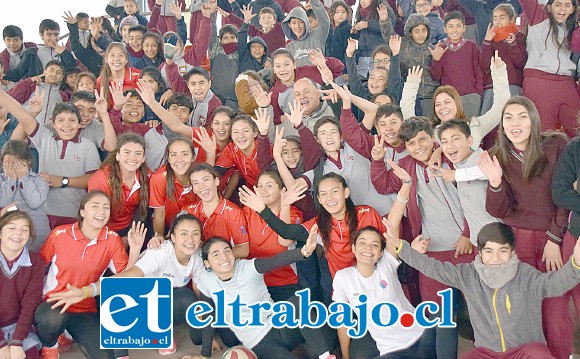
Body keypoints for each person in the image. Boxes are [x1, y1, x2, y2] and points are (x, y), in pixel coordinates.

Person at [388, 221, 580, 359]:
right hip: (486, 353)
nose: (495, 258)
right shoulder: (468, 275)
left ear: (512, 252)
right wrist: (401, 248)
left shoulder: (525, 275)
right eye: (489, 251)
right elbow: (434, 268)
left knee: (540, 354)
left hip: (524, 351)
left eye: (502, 251)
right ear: (480, 253)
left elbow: (554, 284)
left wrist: (576, 264)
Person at [479, 96, 571, 359]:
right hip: (515, 242)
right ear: (502, 125)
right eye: (508, 118)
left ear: (533, 119)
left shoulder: (555, 145)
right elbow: (499, 211)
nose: (515, 123)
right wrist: (495, 182)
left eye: (521, 116)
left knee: (554, 310)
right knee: (522, 312)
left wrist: (554, 238)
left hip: (551, 238)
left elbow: (563, 197)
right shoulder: (498, 155)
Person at [240, 172, 386, 302]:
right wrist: (263, 209)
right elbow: (287, 232)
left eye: (334, 191)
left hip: (375, 283)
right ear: (319, 199)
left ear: (346, 192)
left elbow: (387, 247)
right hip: (343, 291)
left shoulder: (367, 213)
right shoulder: (319, 224)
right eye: (323, 194)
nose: (330, 198)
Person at [35, 191, 145, 358]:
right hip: (54, 302)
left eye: (106, 207)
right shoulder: (60, 234)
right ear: (82, 212)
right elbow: (38, 267)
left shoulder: (112, 239)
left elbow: (125, 280)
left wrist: (135, 250)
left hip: (83, 307)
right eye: (95, 206)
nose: (101, 211)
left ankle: (67, 333)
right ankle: (51, 344)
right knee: (53, 320)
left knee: (104, 355)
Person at [191, 233, 337, 359]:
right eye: (216, 254)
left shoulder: (247, 268)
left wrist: (303, 251)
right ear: (207, 263)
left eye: (227, 251)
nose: (224, 257)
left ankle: (325, 355)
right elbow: (208, 314)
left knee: (297, 302)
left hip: (280, 325)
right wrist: (205, 353)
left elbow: (276, 260)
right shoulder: (206, 280)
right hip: (259, 343)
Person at [0, 88, 101, 229]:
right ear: (53, 124)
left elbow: (93, 178)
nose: (66, 125)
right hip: (42, 213)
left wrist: (62, 181)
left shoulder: (87, 146)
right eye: (61, 120)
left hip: (73, 213)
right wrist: (31, 112)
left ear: (79, 124)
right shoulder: (45, 137)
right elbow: (21, 118)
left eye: (72, 120)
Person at [402, 52, 509, 150]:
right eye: (438, 104)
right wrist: (412, 84)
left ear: (457, 104)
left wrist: (499, 74)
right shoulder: (430, 131)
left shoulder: (475, 125)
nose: (442, 107)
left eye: (447, 102)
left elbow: (501, 108)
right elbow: (407, 117)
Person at [519, 0, 579, 137]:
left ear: (573, 9)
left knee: (577, 128)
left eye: (567, 5)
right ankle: (542, 159)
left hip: (566, 83)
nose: (562, 9)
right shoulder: (538, 17)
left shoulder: (573, 28)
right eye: (558, 4)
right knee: (543, 134)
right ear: (549, 7)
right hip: (540, 80)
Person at [243, 170, 304, 301]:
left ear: (282, 190)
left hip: (285, 282)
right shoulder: (247, 211)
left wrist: (285, 204)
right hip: (254, 282)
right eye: (259, 186)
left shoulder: (294, 213)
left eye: (269, 186)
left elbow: (285, 241)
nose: (263, 190)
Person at [0, 211, 44, 359]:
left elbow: (30, 304)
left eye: (24, 229)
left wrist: (17, 341)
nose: (18, 233)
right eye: (11, 228)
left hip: (19, 327)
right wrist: (1, 344)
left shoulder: (36, 262)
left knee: (29, 355)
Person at [183, 163, 250, 258]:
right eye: (196, 183)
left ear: (217, 181)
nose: (201, 186)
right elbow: (175, 241)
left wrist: (211, 256)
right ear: (193, 189)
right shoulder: (187, 211)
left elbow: (243, 251)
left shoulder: (234, 212)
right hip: (195, 266)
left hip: (223, 265)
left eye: (205, 180)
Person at [88, 133, 149, 237]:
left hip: (130, 228)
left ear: (143, 158)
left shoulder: (146, 176)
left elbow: (142, 212)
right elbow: (94, 217)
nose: (132, 158)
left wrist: (129, 237)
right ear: (117, 155)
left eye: (138, 153)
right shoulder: (100, 179)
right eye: (127, 152)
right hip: (103, 230)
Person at [429, 11, 483, 118]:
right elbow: (436, 76)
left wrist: (478, 93)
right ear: (445, 29)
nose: (454, 30)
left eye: (458, 26)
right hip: (449, 98)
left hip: (470, 96)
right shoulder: (440, 48)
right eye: (450, 26)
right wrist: (436, 59)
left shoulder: (471, 46)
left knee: (470, 128)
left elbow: (478, 70)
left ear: (464, 28)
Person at [0, 140, 50, 252]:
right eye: (8, 163)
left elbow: (35, 202)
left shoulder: (40, 180)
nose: (12, 166)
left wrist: (23, 178)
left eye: (17, 163)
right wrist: (11, 180)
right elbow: (2, 203)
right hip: (9, 235)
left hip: (37, 234)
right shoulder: (1, 180)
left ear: (27, 161)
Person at [149, 138, 198, 237]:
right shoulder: (159, 178)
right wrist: (160, 240)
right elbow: (159, 215)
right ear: (168, 159)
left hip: (194, 226)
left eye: (184, 154)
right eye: (173, 155)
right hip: (167, 226)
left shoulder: (198, 175)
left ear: (193, 157)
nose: (179, 160)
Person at [282, 0, 330, 66]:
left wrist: (314, 2)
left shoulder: (317, 35)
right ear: (289, 25)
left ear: (306, 23)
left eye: (301, 22)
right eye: (294, 23)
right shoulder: (289, 48)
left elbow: (325, 22)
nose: (297, 26)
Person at [96, 42, 141, 108]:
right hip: (112, 116)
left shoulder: (138, 76)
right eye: (112, 55)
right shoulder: (101, 80)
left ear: (126, 59)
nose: (116, 59)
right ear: (106, 59)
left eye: (120, 55)